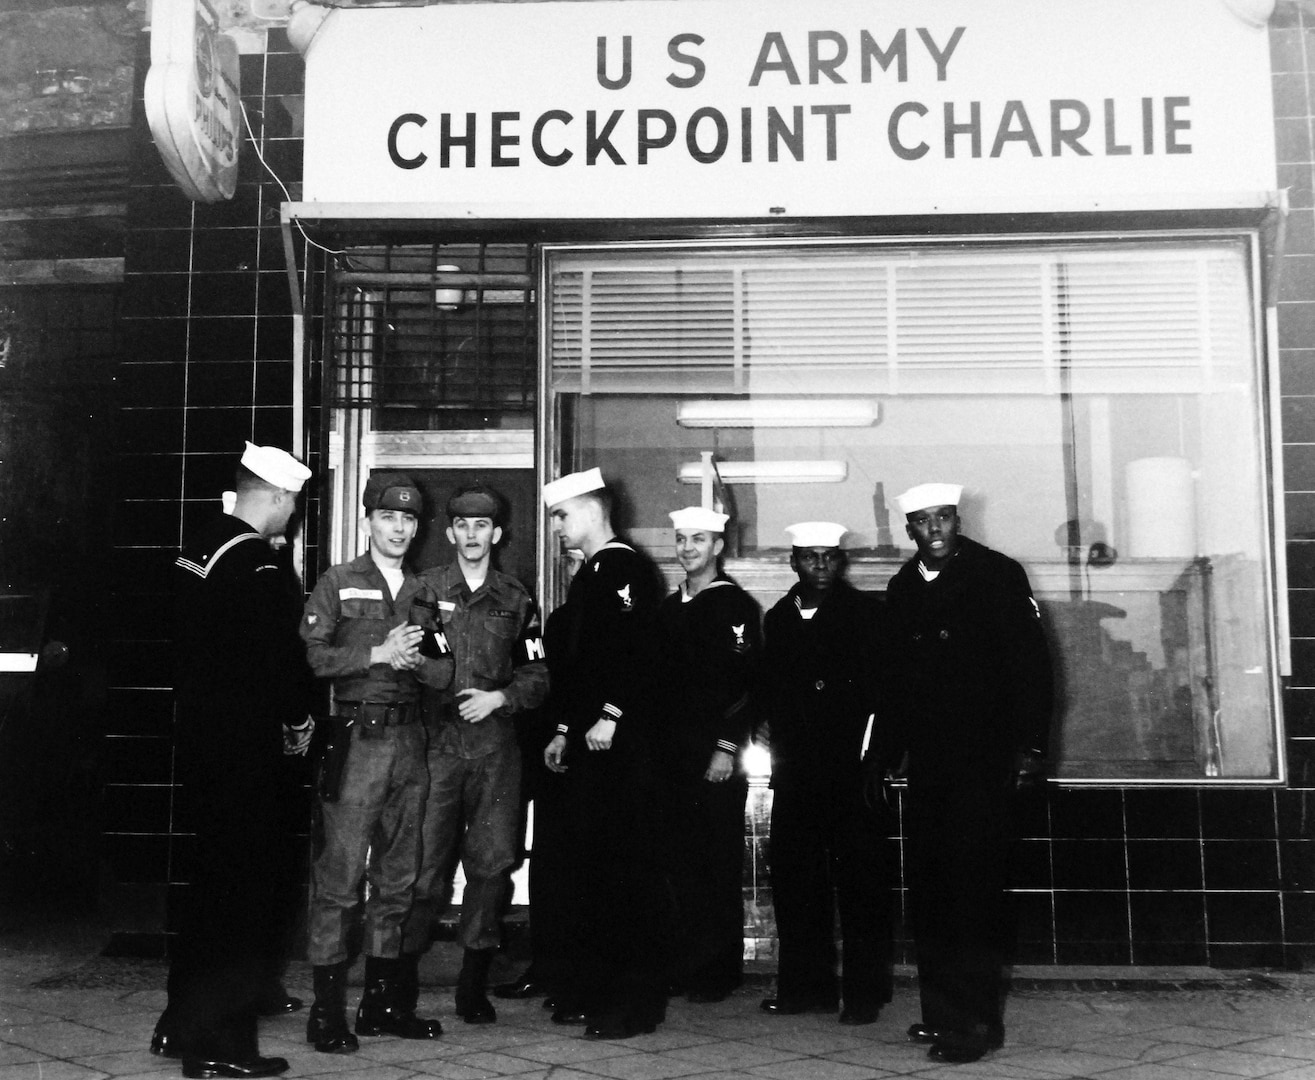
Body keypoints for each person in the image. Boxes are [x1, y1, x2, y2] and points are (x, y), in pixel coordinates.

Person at [151, 442, 313, 1080]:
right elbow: (281, 664)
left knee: (206, 890)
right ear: (274, 497)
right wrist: (300, 723)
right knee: (242, 898)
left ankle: (179, 1025)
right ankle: (222, 1045)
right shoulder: (260, 566)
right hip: (248, 756)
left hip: (202, 747)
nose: (289, 518)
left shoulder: (197, 551)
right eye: (291, 505)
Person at [883, 483, 1052, 1065]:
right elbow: (896, 683)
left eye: (944, 517)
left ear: (958, 520)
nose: (934, 528)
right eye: (922, 520)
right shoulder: (902, 588)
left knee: (973, 891)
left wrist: (1030, 748)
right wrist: (889, 751)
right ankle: (941, 1013)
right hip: (930, 762)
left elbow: (1032, 665)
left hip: (983, 757)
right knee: (931, 887)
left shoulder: (997, 574)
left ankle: (975, 1023)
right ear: (909, 528)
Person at [299, 472, 453, 1054]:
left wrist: (418, 666)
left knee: (399, 878)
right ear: (369, 520)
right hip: (357, 742)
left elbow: (444, 670)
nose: (399, 527)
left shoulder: (423, 593)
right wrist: (377, 653)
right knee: (339, 880)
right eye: (389, 516)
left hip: (410, 745)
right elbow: (311, 657)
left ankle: (381, 1005)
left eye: (409, 520)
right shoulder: (339, 582)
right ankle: (326, 1012)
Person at [403, 483, 549, 1024]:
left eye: (481, 526)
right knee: (423, 867)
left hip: (494, 751)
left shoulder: (516, 598)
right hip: (438, 747)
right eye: (462, 526)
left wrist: (501, 697)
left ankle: (472, 983)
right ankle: (399, 980)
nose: (472, 535)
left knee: (490, 867)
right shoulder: (424, 591)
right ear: (449, 533)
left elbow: (537, 671)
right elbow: (412, 657)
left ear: (497, 534)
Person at [541, 467, 668, 1039]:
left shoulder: (625, 568)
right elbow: (580, 665)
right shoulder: (594, 573)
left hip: (623, 746)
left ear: (591, 509)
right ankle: (598, 992)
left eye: (562, 515)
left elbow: (638, 653)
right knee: (597, 873)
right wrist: (568, 727)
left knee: (626, 877)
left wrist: (612, 715)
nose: (558, 527)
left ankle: (633, 1004)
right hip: (595, 743)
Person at [758, 522, 893, 1026]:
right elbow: (771, 684)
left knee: (860, 886)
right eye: (809, 556)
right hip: (795, 771)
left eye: (828, 556)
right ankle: (804, 987)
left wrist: (875, 761)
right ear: (793, 561)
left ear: (841, 562)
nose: (819, 565)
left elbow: (883, 695)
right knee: (796, 882)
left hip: (849, 770)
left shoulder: (864, 614)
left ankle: (864, 993)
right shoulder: (780, 616)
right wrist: (766, 724)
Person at [656, 506, 760, 1003]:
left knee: (715, 863)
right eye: (681, 539)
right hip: (671, 757)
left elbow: (744, 688)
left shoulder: (734, 607)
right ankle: (683, 963)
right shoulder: (667, 608)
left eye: (699, 539)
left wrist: (725, 748)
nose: (688, 548)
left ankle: (718, 971)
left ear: (718, 546)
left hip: (714, 757)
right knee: (678, 863)